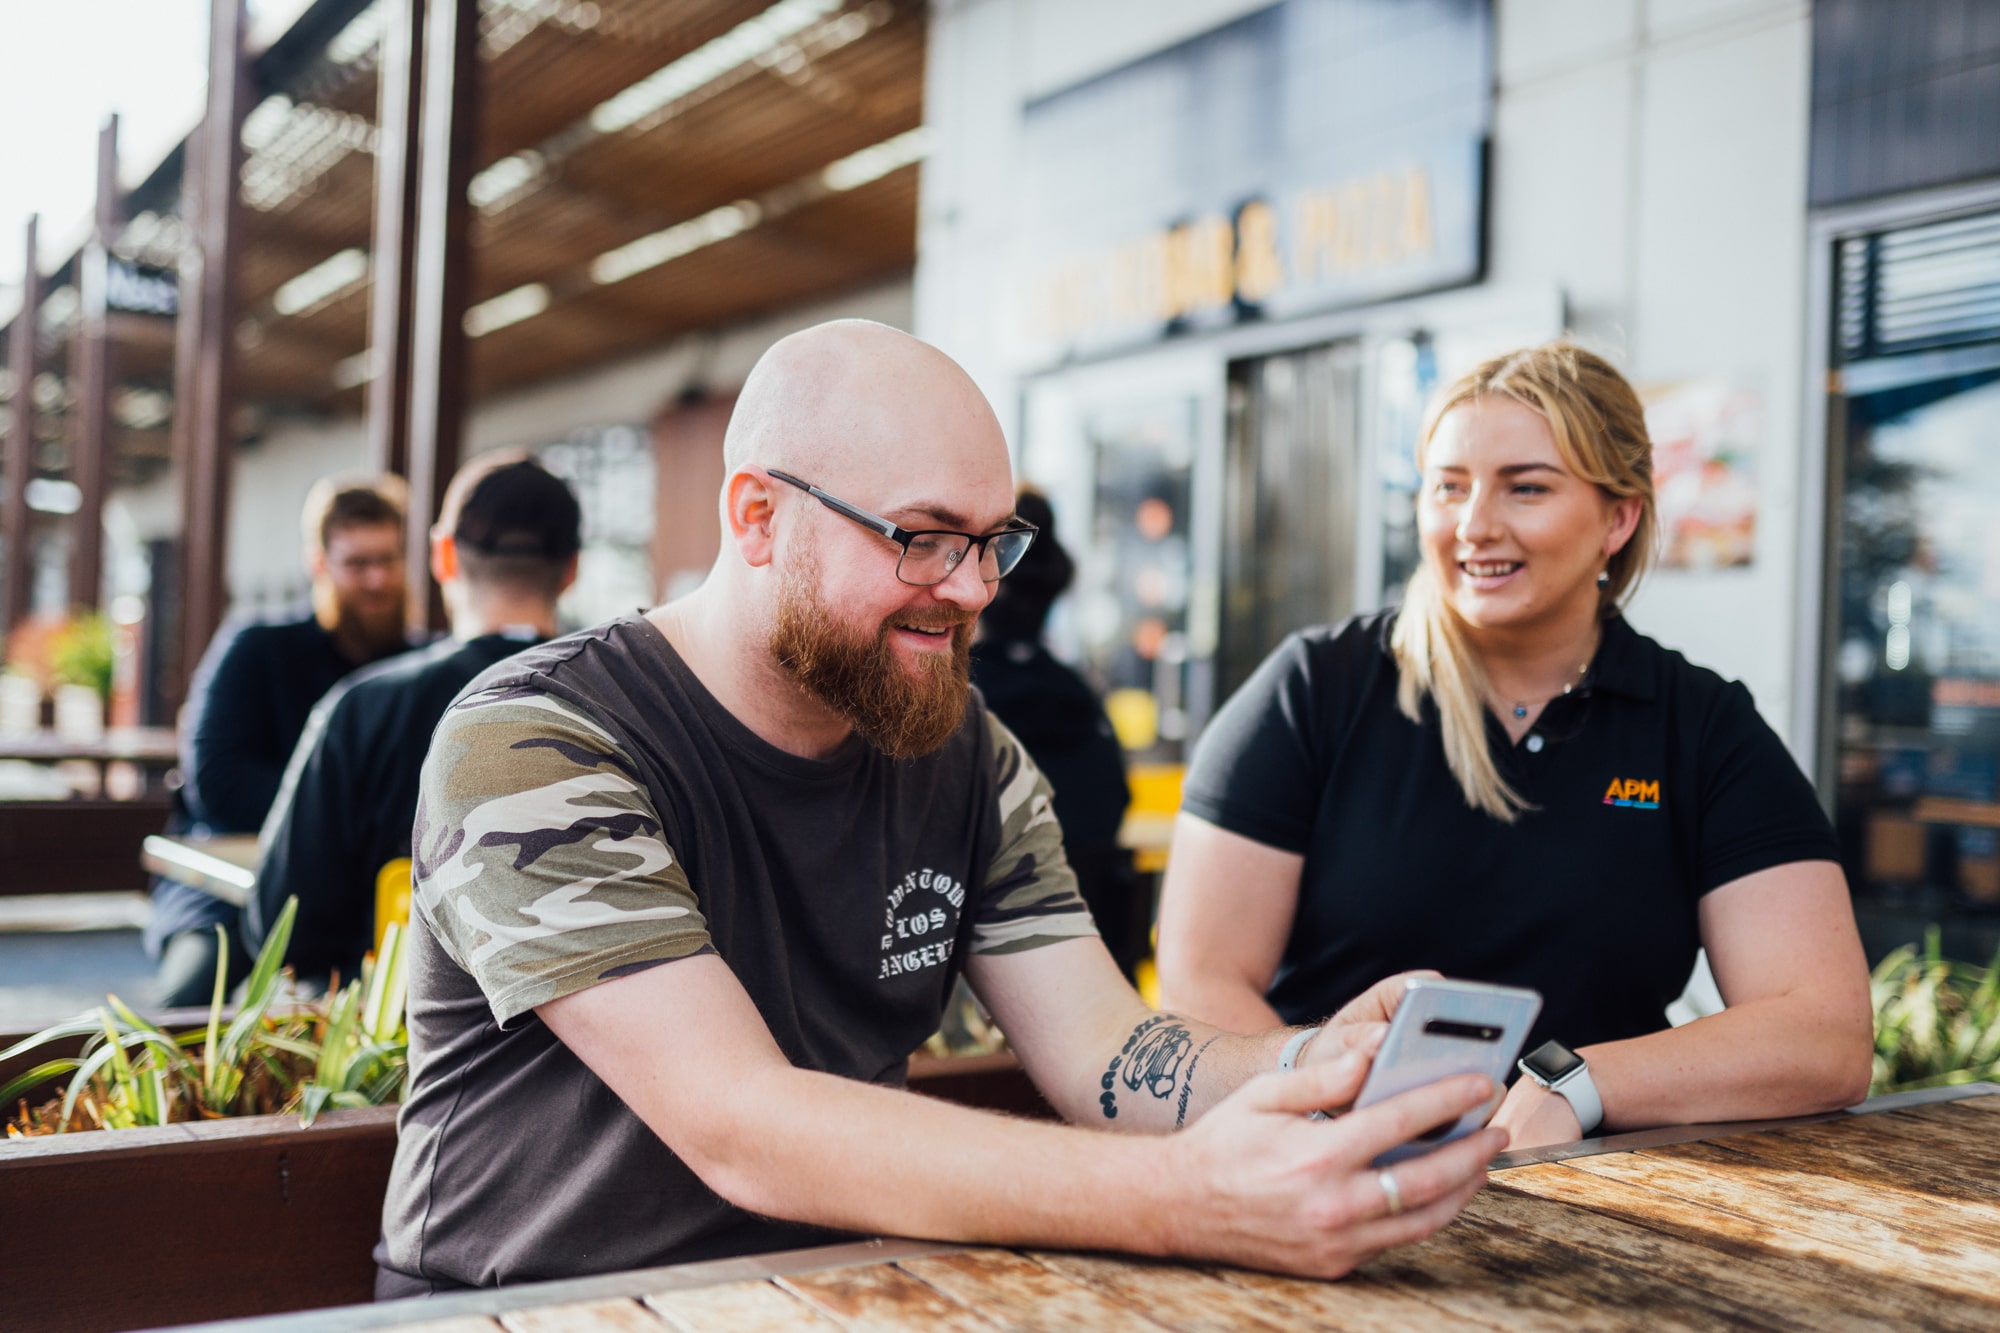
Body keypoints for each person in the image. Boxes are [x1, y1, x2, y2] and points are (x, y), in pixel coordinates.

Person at [374, 320, 1506, 1296]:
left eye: (990, 540)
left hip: (835, 1293)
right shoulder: (535, 740)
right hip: (528, 1308)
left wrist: (1316, 1065)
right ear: (758, 517)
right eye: (920, 536)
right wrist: (1184, 1195)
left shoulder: (963, 747)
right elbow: (741, 1123)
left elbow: (1105, 1050)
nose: (970, 588)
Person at [1155, 341, 1875, 1152]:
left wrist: (1575, 1084)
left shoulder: (1701, 727)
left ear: (1619, 517)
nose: (1475, 525)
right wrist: (1341, 1119)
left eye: (1525, 487)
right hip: (1322, 1169)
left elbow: (1825, 1034)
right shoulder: (1314, 690)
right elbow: (1199, 984)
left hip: (1603, 1196)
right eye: (1449, 487)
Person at [244, 453, 582, 990]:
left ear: (443, 555)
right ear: (571, 569)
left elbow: (283, 926)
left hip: (393, 1041)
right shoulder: (634, 704)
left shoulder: (361, 708)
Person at [147, 476, 413, 1007]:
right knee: (180, 1013)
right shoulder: (255, 649)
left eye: (388, 559)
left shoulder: (421, 667)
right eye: (357, 563)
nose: (378, 579)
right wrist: (354, 822)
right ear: (319, 562)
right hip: (231, 891)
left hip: (364, 897)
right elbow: (218, 785)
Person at [969, 488, 1139, 974]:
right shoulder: (1076, 695)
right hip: (1096, 942)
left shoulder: (962, 705)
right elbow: (1113, 802)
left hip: (998, 957)